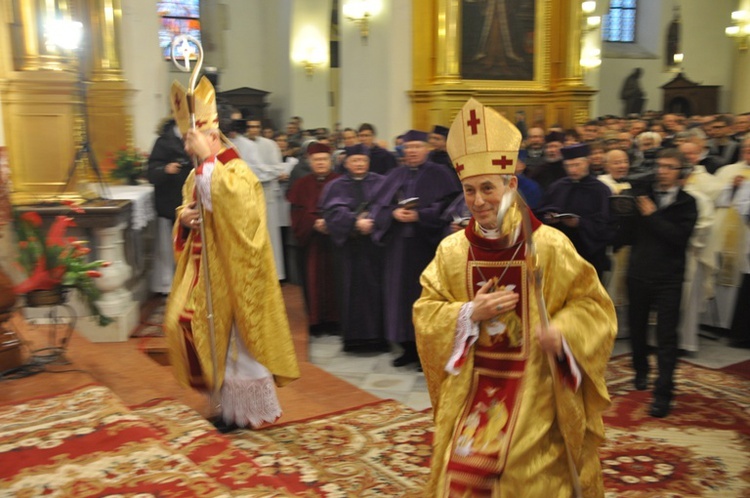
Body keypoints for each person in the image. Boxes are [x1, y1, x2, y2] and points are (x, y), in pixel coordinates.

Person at [413, 98, 616, 496]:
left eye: (487, 187)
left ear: (511, 185)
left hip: (536, 382)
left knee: (520, 474)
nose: (478, 200)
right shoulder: (452, 252)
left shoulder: (549, 246)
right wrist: (469, 313)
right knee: (461, 470)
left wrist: (564, 331)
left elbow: (594, 306)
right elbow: (426, 311)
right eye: (469, 190)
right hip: (474, 382)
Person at [163, 77, 300, 432]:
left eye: (194, 140)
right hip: (202, 274)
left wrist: (209, 162)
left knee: (237, 346)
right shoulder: (197, 174)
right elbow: (188, 206)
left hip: (234, 274)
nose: (190, 148)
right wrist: (184, 218)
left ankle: (242, 413)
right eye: (186, 142)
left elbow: (241, 214)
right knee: (185, 325)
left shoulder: (237, 170)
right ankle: (221, 403)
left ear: (213, 136)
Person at [370, 130, 462, 367]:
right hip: (398, 251)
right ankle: (407, 348)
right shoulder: (395, 174)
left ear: (427, 149)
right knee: (400, 299)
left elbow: (447, 208)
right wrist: (393, 213)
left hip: (426, 248)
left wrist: (419, 216)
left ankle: (428, 352)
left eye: (416, 147)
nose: (411, 151)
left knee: (426, 298)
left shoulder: (441, 174)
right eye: (408, 148)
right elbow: (378, 207)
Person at [618, 148, 698, 418]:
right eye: (660, 166)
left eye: (669, 167)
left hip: (669, 278)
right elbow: (626, 237)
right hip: (639, 273)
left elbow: (678, 238)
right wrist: (623, 212)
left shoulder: (688, 203)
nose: (662, 171)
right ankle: (640, 370)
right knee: (637, 330)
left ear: (681, 173)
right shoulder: (642, 197)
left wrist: (652, 216)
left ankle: (663, 392)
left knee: (666, 336)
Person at [319, 144, 388, 352]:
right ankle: (354, 341)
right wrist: (354, 223)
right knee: (350, 291)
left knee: (377, 292)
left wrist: (373, 221)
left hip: (376, 249)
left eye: (363, 160)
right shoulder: (335, 185)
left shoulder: (382, 182)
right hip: (349, 250)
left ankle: (379, 339)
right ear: (346, 163)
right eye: (355, 160)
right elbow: (331, 212)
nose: (359, 164)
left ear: (369, 162)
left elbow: (389, 207)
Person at [539, 143, 615, 279]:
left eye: (576, 165)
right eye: (568, 166)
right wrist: (549, 218)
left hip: (589, 254)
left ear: (587, 163)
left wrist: (580, 223)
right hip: (560, 253)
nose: (572, 170)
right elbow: (542, 212)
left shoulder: (601, 190)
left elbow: (606, 224)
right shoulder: (557, 187)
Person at [287, 142, 341, 335]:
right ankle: (315, 321)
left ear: (330, 161)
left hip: (336, 242)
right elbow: (296, 212)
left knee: (336, 280)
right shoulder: (302, 184)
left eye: (324, 159)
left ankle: (336, 321)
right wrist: (314, 222)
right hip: (311, 243)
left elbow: (346, 208)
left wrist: (332, 223)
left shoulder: (340, 181)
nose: (320, 163)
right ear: (309, 162)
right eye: (316, 160)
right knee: (312, 280)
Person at [147, 117, 193, 295]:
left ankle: (190, 282)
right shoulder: (163, 142)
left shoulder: (195, 138)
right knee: (169, 248)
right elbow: (151, 172)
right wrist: (166, 169)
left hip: (191, 202)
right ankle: (170, 285)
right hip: (170, 203)